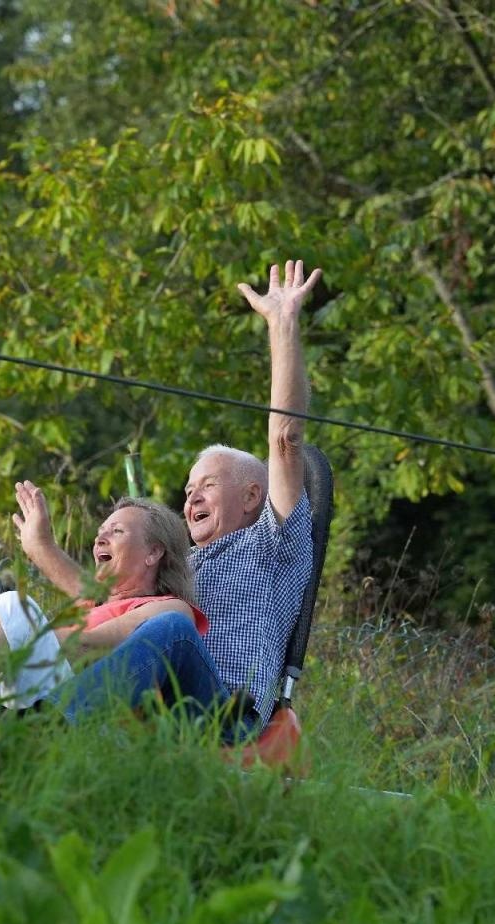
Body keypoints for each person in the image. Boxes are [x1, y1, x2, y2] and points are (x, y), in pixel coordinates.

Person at [22, 260, 322, 740]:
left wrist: (282, 322)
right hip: (156, 706)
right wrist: (42, 550)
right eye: (187, 491)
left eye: (207, 485)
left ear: (251, 495)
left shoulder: (273, 544)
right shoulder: (182, 565)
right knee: (64, 621)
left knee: (175, 629)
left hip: (225, 715)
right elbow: (110, 602)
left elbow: (285, 439)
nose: (191, 499)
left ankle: (46, 726)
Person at [0, 490, 206, 710]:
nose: (100, 538)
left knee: (15, 606)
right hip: (23, 682)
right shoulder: (91, 604)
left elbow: (94, 647)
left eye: (117, 531)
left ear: (153, 552)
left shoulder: (170, 610)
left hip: (76, 703)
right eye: (101, 531)